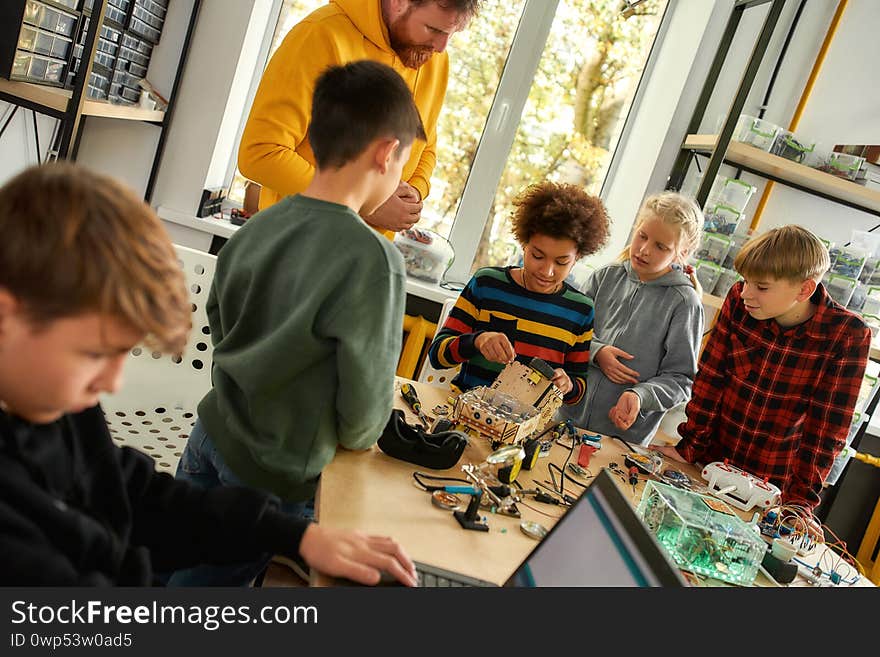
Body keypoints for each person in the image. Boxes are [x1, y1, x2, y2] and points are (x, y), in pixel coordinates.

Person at [0, 162, 417, 586]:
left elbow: (134, 494)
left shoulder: (55, 404)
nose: (111, 383)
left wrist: (297, 535)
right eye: (94, 353)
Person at [168, 61, 426, 586]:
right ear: (386, 153)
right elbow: (362, 416)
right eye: (405, 161)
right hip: (272, 474)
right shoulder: (372, 260)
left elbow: (223, 325)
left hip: (209, 433)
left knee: (169, 567)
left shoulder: (254, 228)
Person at [654, 225, 871, 514]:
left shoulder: (847, 334)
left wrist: (799, 503)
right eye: (745, 281)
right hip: (708, 465)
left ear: (805, 289)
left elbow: (826, 429)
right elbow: (710, 378)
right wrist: (690, 446)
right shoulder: (739, 301)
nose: (745, 293)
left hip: (771, 488)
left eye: (762, 287)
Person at [238, 0, 480, 237]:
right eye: (434, 29)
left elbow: (425, 145)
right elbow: (261, 153)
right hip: (292, 247)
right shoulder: (320, 33)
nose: (441, 47)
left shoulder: (433, 58)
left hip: (361, 257)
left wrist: (414, 193)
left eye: (452, 33)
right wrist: (364, 202)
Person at [427, 182, 610, 406]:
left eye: (562, 262)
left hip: (526, 426)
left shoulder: (580, 310)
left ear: (578, 256)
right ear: (524, 243)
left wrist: (568, 385)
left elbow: (578, 389)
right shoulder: (487, 284)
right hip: (467, 408)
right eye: (537, 255)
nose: (547, 271)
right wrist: (477, 341)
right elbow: (437, 356)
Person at [564, 192, 704, 447]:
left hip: (620, 440)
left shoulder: (684, 303)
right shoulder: (604, 276)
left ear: (681, 253)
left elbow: (681, 379)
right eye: (642, 236)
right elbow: (567, 331)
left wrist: (641, 396)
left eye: (661, 246)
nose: (644, 249)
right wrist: (597, 352)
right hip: (563, 419)